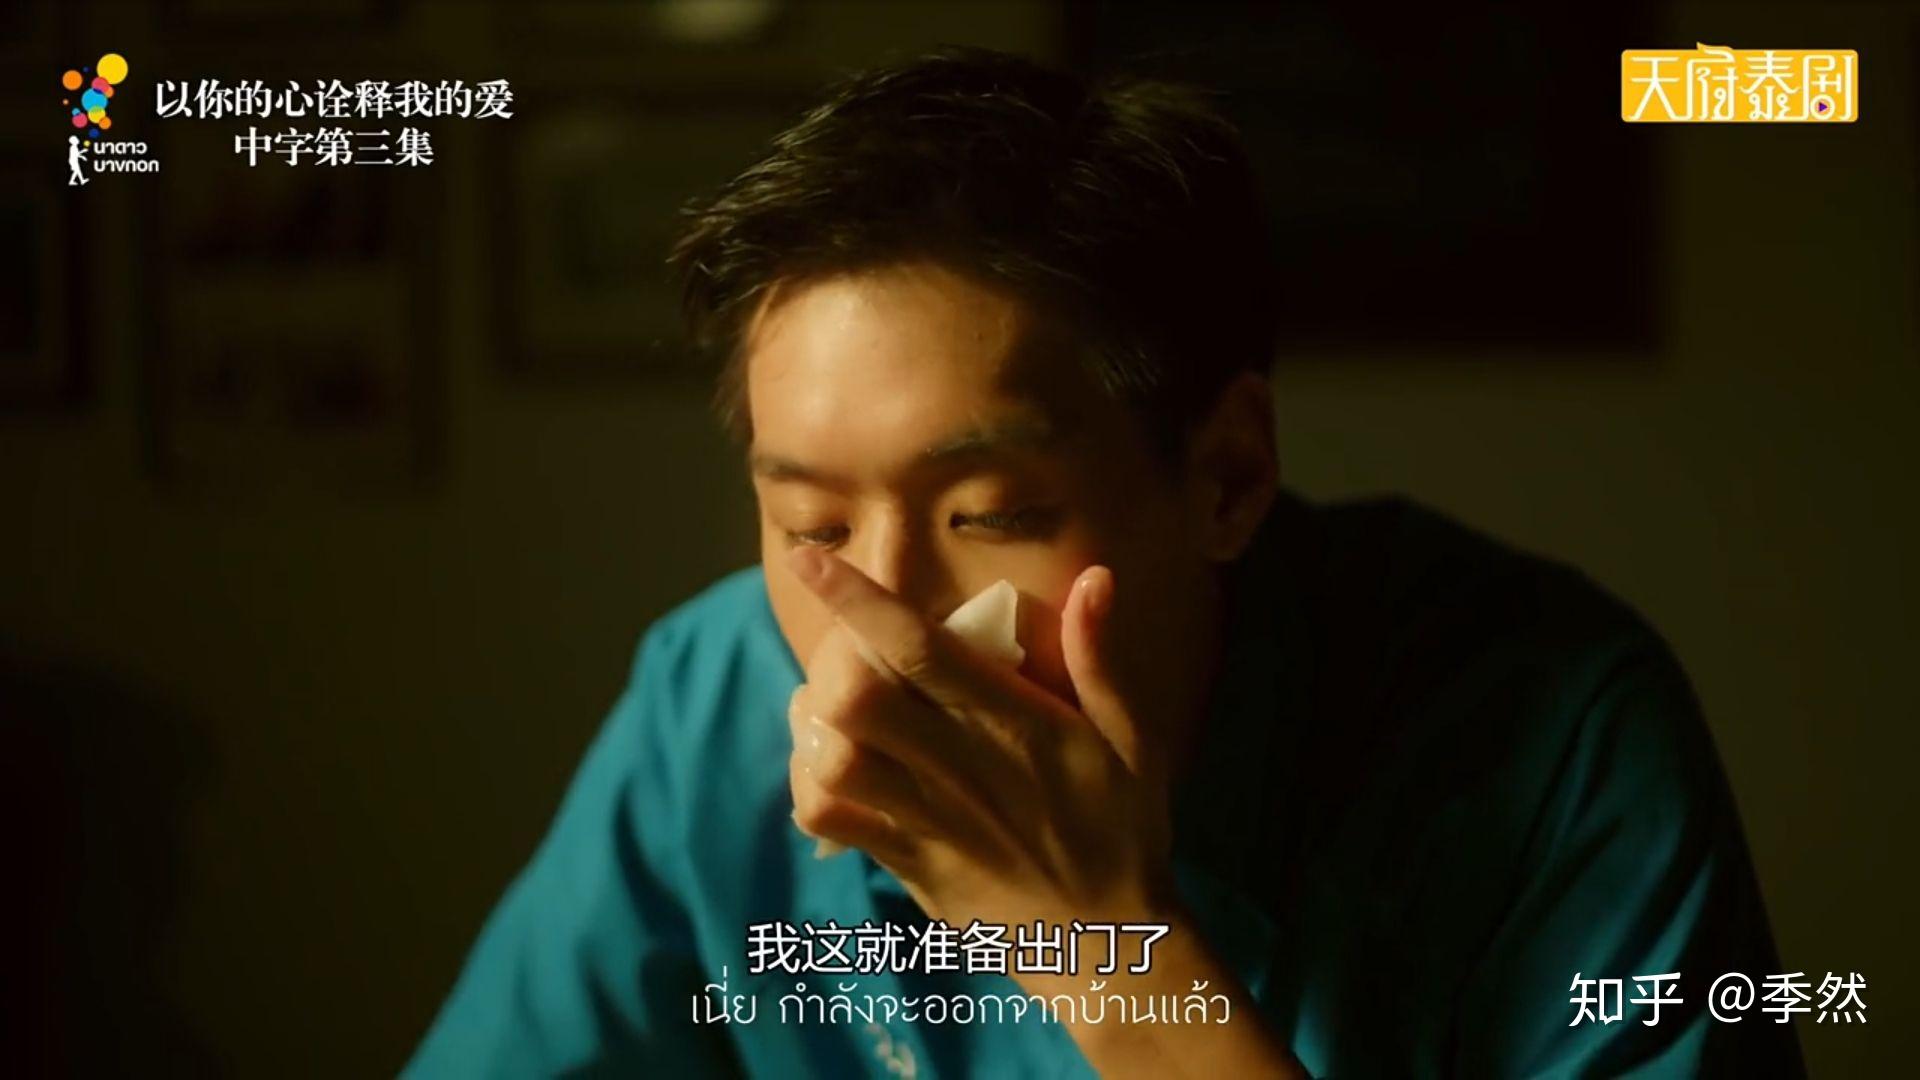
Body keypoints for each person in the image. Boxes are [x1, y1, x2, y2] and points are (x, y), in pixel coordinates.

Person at [407, 47, 1803, 1077]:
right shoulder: (713, 703)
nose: (882, 622)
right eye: (814, 531)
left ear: (1226, 476)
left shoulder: (1553, 732)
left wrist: (1097, 943)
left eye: (990, 515)